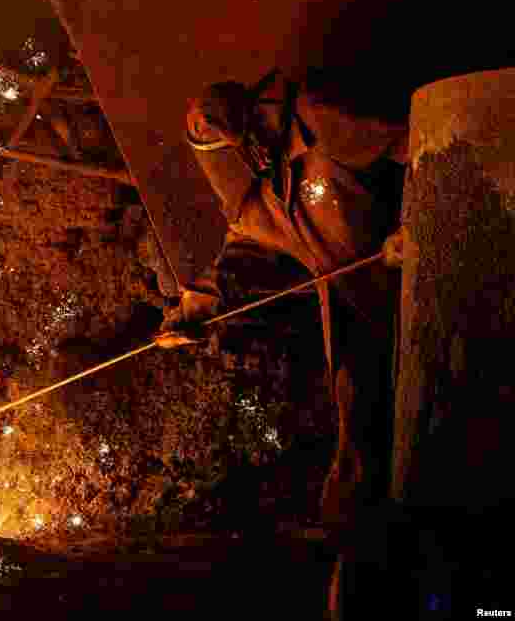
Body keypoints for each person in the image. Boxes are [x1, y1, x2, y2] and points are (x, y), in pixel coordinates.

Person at [157, 69, 408, 618]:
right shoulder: (268, 195)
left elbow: (423, 142)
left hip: (420, 285)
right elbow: (240, 256)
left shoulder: (320, 119)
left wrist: (417, 224)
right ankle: (362, 580)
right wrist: (190, 315)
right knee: (360, 440)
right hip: (357, 315)